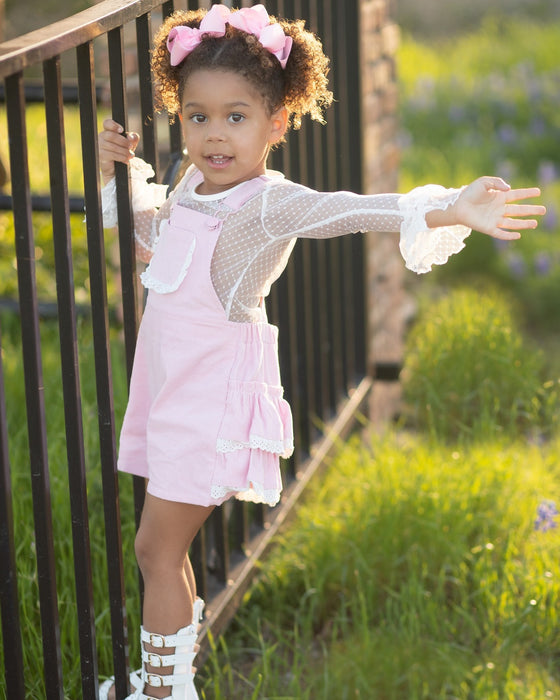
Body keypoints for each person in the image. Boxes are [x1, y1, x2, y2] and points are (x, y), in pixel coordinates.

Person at [98, 4, 545, 699]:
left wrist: (452, 205)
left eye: (237, 116)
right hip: (170, 387)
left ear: (277, 121)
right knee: (164, 550)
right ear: (179, 116)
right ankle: (171, 681)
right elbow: (156, 252)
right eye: (197, 116)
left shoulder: (270, 205)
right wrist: (118, 178)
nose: (215, 135)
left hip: (210, 399)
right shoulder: (191, 184)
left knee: (155, 548)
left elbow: (356, 208)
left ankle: (161, 693)